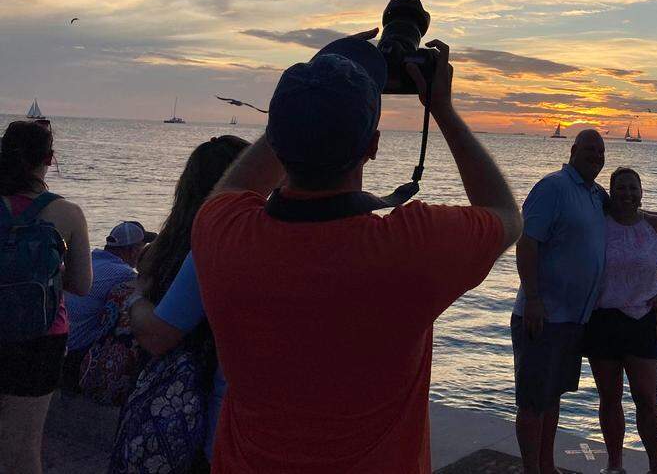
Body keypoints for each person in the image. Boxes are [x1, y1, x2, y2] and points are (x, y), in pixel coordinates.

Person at [191, 31, 521, 473]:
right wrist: (441, 107)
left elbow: (235, 186)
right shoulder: (408, 248)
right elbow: (505, 215)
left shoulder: (221, 233)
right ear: (373, 145)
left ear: (277, 136)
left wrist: (309, 90)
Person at [124, 135, 250, 465]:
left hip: (168, 410)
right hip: (223, 414)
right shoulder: (238, 247)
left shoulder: (164, 253)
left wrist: (135, 299)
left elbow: (154, 335)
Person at [584, 167, 657, 474]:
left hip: (643, 319)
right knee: (609, 398)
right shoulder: (597, 224)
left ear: (641, 192)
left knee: (646, 399)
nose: (627, 194)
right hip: (602, 318)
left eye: (633, 188)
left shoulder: (656, 225)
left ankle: (655, 467)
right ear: (611, 192)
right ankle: (614, 465)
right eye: (621, 188)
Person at [0, 120, 92, 474]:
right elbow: (82, 284)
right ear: (49, 159)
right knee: (23, 448)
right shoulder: (67, 213)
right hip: (41, 337)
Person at [513, 128, 608, 474]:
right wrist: (533, 298)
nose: (596, 156)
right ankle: (531, 469)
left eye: (600, 151)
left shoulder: (596, 194)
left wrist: (656, 219)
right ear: (573, 151)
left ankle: (547, 466)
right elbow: (527, 242)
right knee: (533, 401)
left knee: (552, 397)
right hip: (543, 315)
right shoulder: (552, 187)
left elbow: (627, 210)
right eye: (589, 149)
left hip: (574, 319)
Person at [61, 221, 155, 386]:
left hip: (60, 344)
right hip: (75, 354)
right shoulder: (123, 274)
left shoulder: (90, 260)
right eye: (143, 247)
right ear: (134, 251)